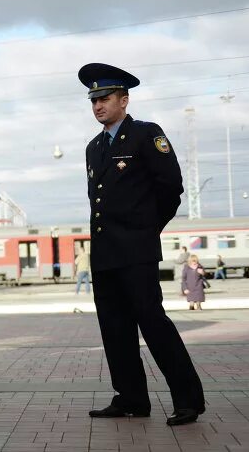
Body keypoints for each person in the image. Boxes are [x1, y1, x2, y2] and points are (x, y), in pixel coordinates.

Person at [80, 62, 205, 426]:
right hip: (105, 255)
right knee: (114, 328)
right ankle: (131, 397)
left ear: (124, 99)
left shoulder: (147, 134)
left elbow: (171, 188)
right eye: (94, 100)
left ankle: (188, 400)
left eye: (105, 98)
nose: (98, 105)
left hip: (136, 252)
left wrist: (147, 229)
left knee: (153, 324)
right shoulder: (94, 147)